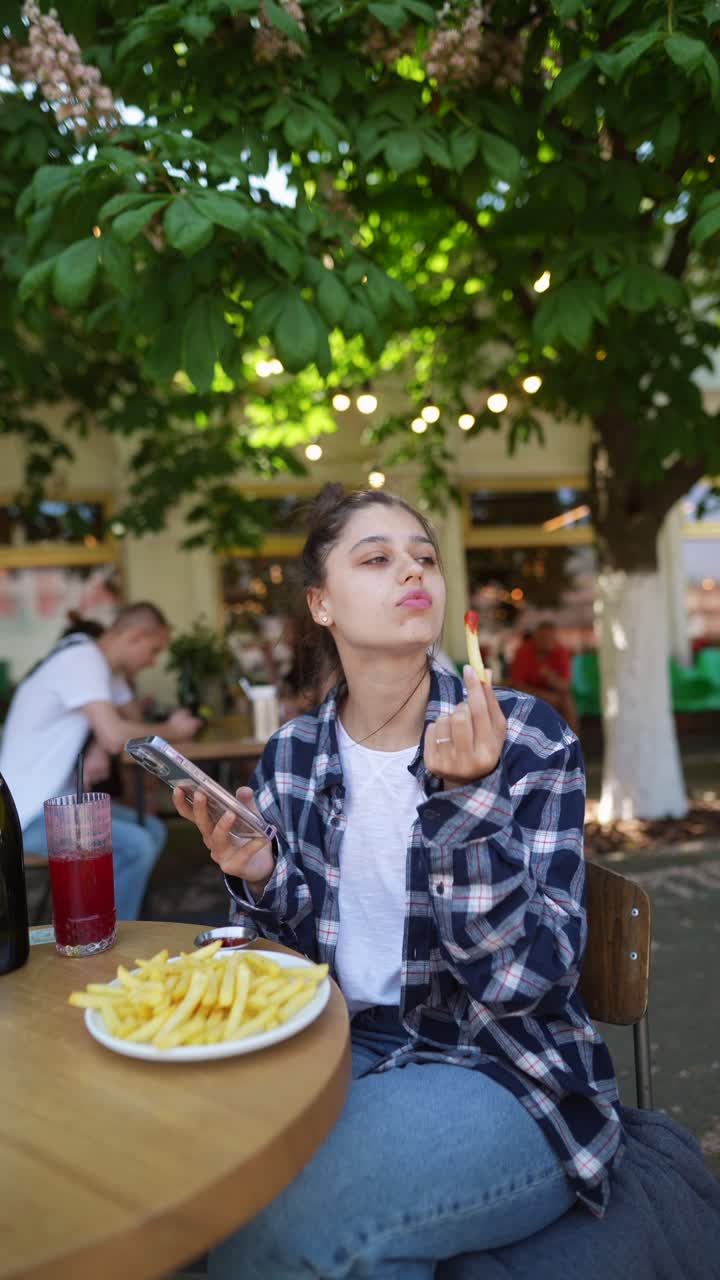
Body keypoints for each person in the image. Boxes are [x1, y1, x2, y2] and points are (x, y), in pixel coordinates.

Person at [173, 486, 624, 1279]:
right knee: (200, 1187)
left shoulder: (524, 736)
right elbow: (301, 969)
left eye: (423, 558)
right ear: (321, 603)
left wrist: (465, 809)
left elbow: (530, 981)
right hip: (338, 1049)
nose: (411, 572)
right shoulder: (292, 756)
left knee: (279, 1234)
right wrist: (264, 876)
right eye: (376, 559)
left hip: (501, 1069)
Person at [0, 602, 202, 919]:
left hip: (60, 804)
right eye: (152, 650)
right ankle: (111, 935)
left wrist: (99, 739)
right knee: (137, 845)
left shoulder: (103, 666)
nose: (151, 662)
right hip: (26, 815)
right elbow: (115, 735)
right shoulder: (83, 659)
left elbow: (127, 722)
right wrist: (172, 730)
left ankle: (105, 916)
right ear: (135, 636)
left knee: (151, 828)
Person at [510, 619, 580, 733]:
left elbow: (565, 686)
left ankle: (573, 743)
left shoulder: (561, 652)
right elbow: (517, 685)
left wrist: (550, 677)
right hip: (527, 691)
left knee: (567, 702)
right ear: (536, 637)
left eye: (550, 638)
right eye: (543, 638)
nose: (546, 641)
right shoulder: (523, 651)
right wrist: (545, 696)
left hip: (553, 692)